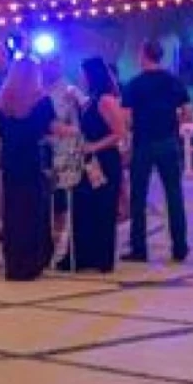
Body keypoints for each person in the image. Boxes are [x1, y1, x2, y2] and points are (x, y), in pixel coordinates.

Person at [123, 38, 191, 263]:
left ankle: (139, 248)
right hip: (168, 141)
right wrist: (174, 123)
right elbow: (188, 111)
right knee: (174, 195)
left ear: (144, 55)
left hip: (143, 143)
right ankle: (179, 246)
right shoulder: (173, 81)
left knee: (138, 197)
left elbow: (126, 118)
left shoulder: (134, 84)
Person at [0, 57, 57, 281]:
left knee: (12, 211)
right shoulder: (41, 101)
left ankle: (13, 263)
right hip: (31, 159)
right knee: (33, 210)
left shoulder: (2, 100)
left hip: (10, 160)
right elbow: (49, 129)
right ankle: (32, 262)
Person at [69, 56, 125, 273]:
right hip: (90, 161)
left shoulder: (105, 100)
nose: (81, 77)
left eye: (83, 73)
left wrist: (94, 147)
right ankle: (85, 255)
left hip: (104, 160)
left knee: (103, 208)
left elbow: (119, 133)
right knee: (85, 207)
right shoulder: (92, 99)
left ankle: (102, 257)